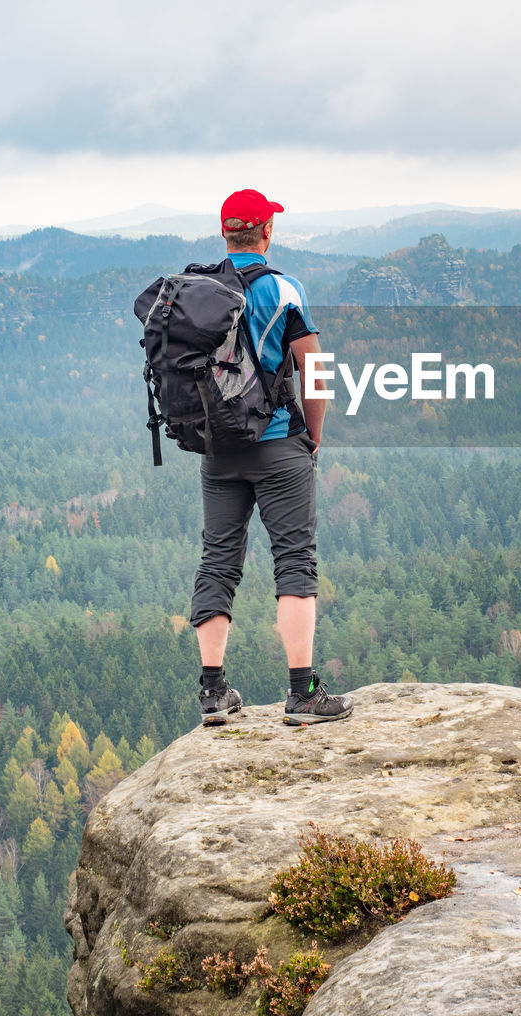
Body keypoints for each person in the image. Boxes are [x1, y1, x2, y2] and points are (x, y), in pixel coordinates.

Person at [191, 188, 353, 728]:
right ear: (265, 233)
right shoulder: (284, 289)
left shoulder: (197, 290)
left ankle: (213, 693)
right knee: (294, 561)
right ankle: (302, 694)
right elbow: (315, 370)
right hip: (279, 442)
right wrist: (313, 433)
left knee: (218, 560)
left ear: (224, 234)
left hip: (218, 449)